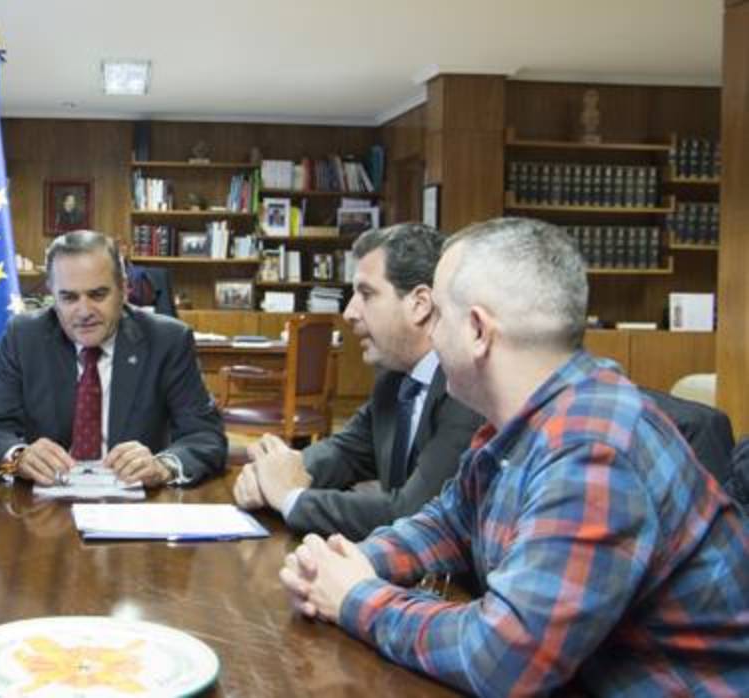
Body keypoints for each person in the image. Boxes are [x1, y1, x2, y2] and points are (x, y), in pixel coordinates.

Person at [280, 218, 749, 695]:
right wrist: (350, 560)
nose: (430, 333)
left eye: (438, 314)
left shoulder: (592, 449)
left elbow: (502, 661)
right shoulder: (525, 423)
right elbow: (447, 524)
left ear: (478, 330)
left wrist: (356, 597)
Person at [234, 223, 482, 539]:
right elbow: (345, 452)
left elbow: (414, 512)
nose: (349, 312)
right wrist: (274, 470)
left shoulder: (465, 388)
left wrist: (290, 497)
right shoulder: (395, 381)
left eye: (366, 294)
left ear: (419, 304)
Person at [0, 230, 226, 486]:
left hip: (136, 508)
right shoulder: (24, 337)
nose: (84, 312)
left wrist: (163, 466)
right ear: (52, 294)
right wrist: (19, 458)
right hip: (46, 505)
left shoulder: (167, 340)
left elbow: (205, 436)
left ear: (124, 289)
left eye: (97, 295)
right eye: (68, 297)